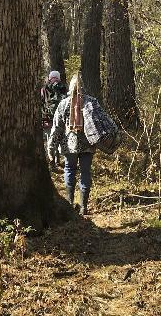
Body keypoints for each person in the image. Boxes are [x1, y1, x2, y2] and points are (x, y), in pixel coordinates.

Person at [47, 72, 110, 216]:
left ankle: (69, 204)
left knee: (69, 170)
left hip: (70, 145)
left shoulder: (63, 104)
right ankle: (84, 207)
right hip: (88, 144)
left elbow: (57, 128)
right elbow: (102, 121)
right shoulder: (91, 102)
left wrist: (51, 147)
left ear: (70, 87)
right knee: (85, 172)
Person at [41, 70, 67, 164]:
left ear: (49, 78)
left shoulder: (44, 89)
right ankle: (59, 160)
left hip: (47, 119)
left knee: (50, 140)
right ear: (59, 78)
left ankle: (51, 162)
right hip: (60, 119)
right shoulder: (63, 88)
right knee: (60, 138)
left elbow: (41, 102)